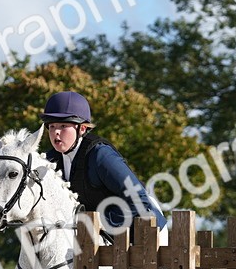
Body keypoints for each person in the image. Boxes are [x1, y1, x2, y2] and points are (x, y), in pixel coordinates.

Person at [40, 91, 166, 236]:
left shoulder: (100, 156)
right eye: (51, 126)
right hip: (96, 238)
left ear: (82, 128)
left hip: (144, 231)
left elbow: (139, 200)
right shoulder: (50, 160)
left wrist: (98, 221)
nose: (56, 132)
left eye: (63, 126)